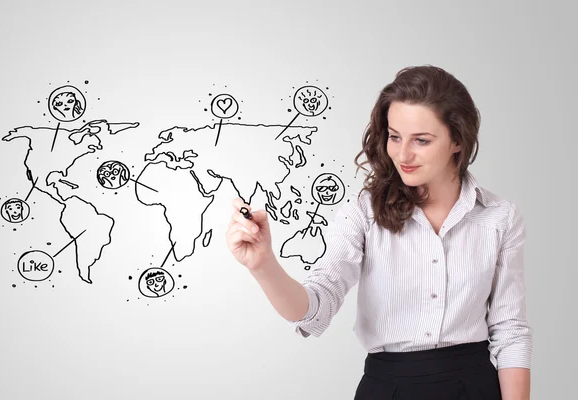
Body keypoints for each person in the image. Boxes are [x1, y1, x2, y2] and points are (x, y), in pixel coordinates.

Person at [225, 65, 531, 399]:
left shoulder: (499, 218)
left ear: (457, 140)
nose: (403, 154)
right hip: (389, 388)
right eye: (394, 136)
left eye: (422, 141)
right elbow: (316, 307)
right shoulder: (364, 212)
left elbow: (510, 331)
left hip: (475, 387)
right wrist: (263, 265)